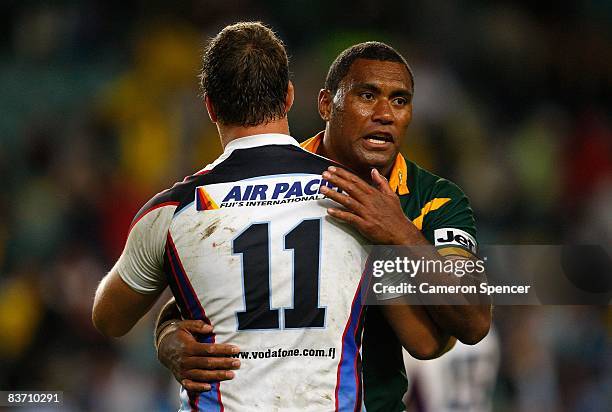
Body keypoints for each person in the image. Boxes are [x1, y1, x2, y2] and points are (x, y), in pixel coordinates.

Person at [92, 23, 453, 411]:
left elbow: (109, 319)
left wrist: (166, 335)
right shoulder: (356, 199)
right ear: (289, 96)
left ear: (210, 106)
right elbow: (427, 342)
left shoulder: (171, 212)